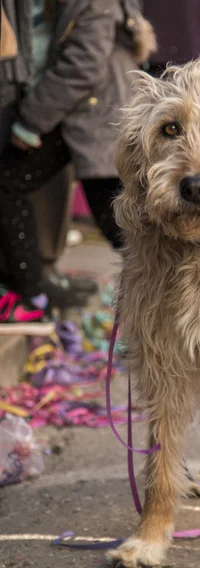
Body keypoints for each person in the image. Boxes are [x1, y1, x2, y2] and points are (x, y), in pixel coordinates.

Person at [0, 0, 156, 331]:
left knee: (128, 230)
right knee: (11, 181)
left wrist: (30, 119)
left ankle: (33, 298)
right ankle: (31, 294)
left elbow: (82, 66)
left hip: (99, 122)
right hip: (89, 118)